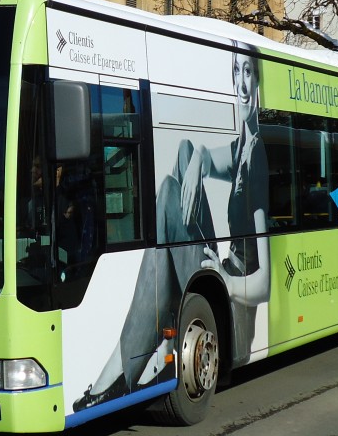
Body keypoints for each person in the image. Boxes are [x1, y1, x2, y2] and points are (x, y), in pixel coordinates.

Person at [73, 49, 269, 412]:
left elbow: (265, 282)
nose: (241, 83)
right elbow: (202, 158)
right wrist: (197, 158)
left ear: (257, 82)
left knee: (165, 193)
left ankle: (120, 369)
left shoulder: (256, 157)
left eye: (248, 73)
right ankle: (143, 354)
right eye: (236, 72)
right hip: (222, 264)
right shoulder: (241, 147)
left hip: (236, 289)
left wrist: (225, 276)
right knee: (184, 150)